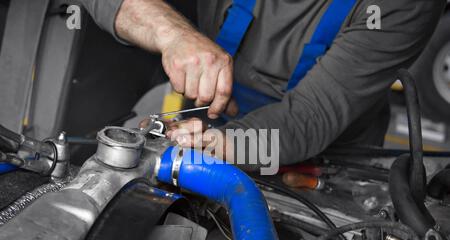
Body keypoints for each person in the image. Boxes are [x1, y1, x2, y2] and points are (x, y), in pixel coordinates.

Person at [76, 0, 446, 176]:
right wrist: (171, 34)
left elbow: (310, 118)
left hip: (327, 167)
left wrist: (218, 145)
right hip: (198, 125)